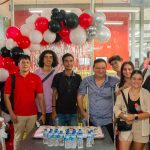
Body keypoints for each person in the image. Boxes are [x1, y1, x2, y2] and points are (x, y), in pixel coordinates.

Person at [4, 55, 46, 150]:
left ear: (30, 64)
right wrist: (11, 113)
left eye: (27, 62)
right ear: (18, 64)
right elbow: (6, 97)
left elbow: (40, 97)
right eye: (23, 62)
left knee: (31, 138)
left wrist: (43, 114)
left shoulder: (36, 78)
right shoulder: (11, 78)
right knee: (18, 138)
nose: (25, 64)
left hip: (32, 114)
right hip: (17, 115)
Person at [77, 58, 119, 141]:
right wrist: (82, 111)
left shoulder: (114, 81)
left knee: (108, 144)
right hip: (92, 119)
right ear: (93, 68)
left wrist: (117, 115)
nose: (101, 70)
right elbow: (80, 95)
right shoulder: (87, 81)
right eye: (98, 68)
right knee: (92, 143)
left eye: (103, 68)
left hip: (109, 120)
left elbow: (120, 99)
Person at [114, 70, 150, 150]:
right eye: (134, 78)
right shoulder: (123, 92)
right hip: (125, 124)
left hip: (142, 126)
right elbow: (116, 107)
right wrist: (124, 116)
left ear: (142, 81)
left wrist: (134, 116)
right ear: (130, 79)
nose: (136, 81)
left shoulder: (146, 93)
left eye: (139, 79)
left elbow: (149, 112)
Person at [52, 53, 82, 126]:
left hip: (73, 113)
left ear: (73, 62)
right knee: (58, 135)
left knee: (73, 136)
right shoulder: (57, 76)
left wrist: (80, 111)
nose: (69, 63)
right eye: (66, 61)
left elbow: (79, 96)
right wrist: (53, 110)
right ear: (63, 63)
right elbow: (54, 94)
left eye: (71, 61)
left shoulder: (78, 77)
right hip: (59, 112)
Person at [34, 50, 58, 125]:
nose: (48, 59)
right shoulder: (36, 73)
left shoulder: (57, 74)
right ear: (42, 59)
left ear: (53, 60)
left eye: (51, 57)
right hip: (39, 109)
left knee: (52, 134)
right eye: (46, 57)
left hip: (53, 109)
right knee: (38, 134)